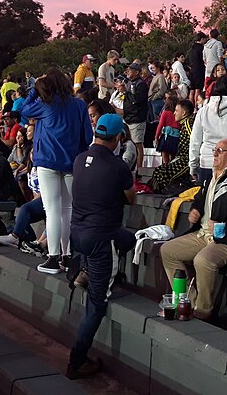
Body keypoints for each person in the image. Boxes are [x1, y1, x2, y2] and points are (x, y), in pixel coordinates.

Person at [66, 114, 137, 379]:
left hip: (78, 234)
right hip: (100, 239)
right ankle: (77, 360)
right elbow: (131, 198)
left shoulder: (79, 159)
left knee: (128, 239)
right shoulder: (118, 166)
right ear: (118, 137)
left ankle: (87, 271)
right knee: (97, 303)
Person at [160, 138, 227, 320]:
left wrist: (226, 226)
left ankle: (203, 312)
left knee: (203, 260)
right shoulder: (211, 177)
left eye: (220, 150)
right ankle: (187, 302)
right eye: (215, 149)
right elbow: (202, 198)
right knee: (168, 250)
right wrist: (196, 210)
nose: (214, 153)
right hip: (204, 234)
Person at [19, 68, 93, 276]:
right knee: (67, 210)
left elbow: (24, 110)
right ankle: (67, 256)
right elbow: (87, 135)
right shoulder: (79, 104)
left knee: (51, 210)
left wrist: (34, 89)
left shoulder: (44, 104)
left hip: (47, 161)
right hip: (72, 162)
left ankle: (52, 257)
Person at [119, 62, 149, 164]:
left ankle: (139, 171)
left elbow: (137, 99)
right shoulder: (129, 83)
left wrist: (126, 92)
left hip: (137, 119)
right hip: (128, 118)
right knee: (129, 144)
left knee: (138, 145)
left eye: (130, 69)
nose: (127, 71)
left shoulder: (141, 84)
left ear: (136, 72)